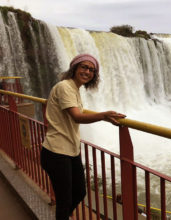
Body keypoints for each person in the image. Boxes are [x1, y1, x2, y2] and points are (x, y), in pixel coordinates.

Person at [40, 53, 126, 220]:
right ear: (74, 68)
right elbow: (77, 116)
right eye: (84, 67)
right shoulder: (65, 87)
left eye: (92, 70)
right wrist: (103, 116)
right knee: (64, 201)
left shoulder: (74, 89)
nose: (87, 72)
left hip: (70, 150)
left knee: (79, 192)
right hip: (56, 152)